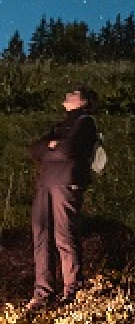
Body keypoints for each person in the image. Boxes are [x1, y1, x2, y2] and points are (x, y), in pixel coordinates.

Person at [26, 85, 99, 312]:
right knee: (41, 235)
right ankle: (42, 293)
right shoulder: (61, 125)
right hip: (46, 183)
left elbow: (68, 150)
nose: (67, 95)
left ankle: (72, 291)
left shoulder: (86, 123)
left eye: (74, 93)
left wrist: (52, 148)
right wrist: (51, 147)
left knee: (64, 235)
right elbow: (35, 150)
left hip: (66, 183)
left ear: (84, 101)